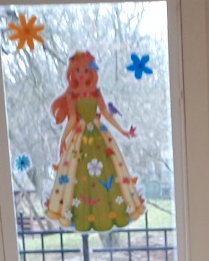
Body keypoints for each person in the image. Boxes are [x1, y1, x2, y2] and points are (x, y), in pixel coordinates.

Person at [45, 51, 147, 232]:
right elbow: (72, 119)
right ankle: (79, 214)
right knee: (77, 174)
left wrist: (123, 131)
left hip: (100, 137)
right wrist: (63, 139)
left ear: (91, 72)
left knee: (108, 171)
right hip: (79, 137)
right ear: (72, 72)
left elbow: (106, 113)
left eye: (85, 70)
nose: (81, 74)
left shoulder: (96, 92)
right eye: (77, 70)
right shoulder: (71, 95)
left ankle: (107, 213)